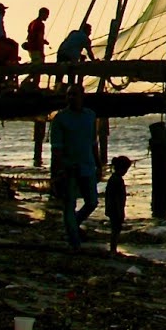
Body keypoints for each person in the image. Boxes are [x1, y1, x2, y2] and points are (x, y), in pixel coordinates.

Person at [50, 86, 100, 249]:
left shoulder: (90, 116)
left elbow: (93, 142)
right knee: (69, 204)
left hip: (87, 165)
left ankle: (73, 225)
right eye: (69, 95)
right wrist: (56, 174)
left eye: (75, 94)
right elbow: (56, 149)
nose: (72, 97)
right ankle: (74, 242)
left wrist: (98, 164)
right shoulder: (60, 118)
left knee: (92, 201)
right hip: (68, 168)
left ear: (82, 96)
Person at [104, 154, 133, 255]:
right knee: (116, 230)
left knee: (115, 229)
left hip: (113, 208)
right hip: (116, 209)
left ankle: (113, 248)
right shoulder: (117, 180)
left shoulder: (113, 179)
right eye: (125, 169)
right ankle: (113, 249)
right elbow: (116, 198)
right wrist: (120, 211)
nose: (125, 172)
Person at [24, 7, 49, 83]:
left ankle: (30, 84)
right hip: (36, 50)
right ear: (43, 14)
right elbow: (39, 38)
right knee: (38, 69)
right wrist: (41, 52)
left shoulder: (32, 23)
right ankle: (31, 84)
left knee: (35, 68)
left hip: (31, 49)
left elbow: (32, 36)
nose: (47, 17)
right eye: (46, 15)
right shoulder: (40, 24)